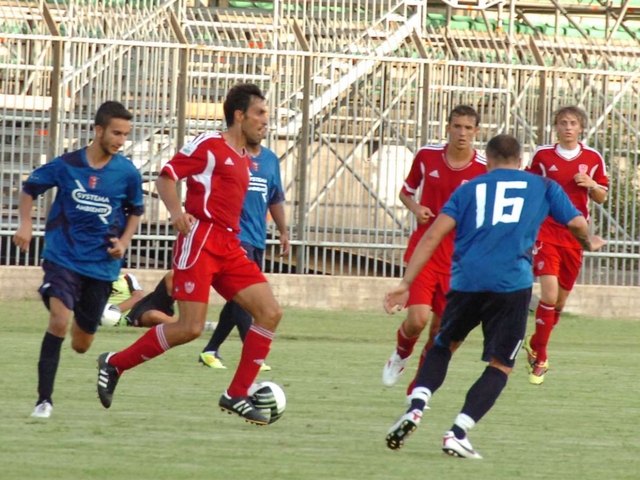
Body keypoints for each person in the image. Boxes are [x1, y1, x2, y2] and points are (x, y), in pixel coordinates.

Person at [383, 134, 606, 458]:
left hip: (466, 281)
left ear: (487, 161)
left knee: (444, 345)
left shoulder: (469, 188)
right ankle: (457, 432)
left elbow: (433, 234)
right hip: (510, 286)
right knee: (501, 364)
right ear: (520, 161)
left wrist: (405, 283)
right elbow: (577, 223)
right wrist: (588, 242)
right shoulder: (543, 187)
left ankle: (416, 406)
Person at [96, 83, 283, 426]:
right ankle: (115, 363)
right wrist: (177, 211)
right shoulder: (209, 146)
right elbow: (167, 177)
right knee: (190, 328)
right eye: (259, 113)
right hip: (200, 242)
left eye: (266, 115)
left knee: (270, 312)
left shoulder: (245, 158)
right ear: (239, 116)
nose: (265, 121)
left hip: (230, 245)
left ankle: (237, 394)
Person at [12, 101, 144, 419]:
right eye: (116, 132)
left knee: (82, 343)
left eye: (125, 135)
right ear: (98, 130)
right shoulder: (67, 165)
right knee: (58, 321)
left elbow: (136, 211)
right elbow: (30, 188)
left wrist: (123, 242)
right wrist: (26, 224)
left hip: (101, 266)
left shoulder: (127, 173)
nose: (120, 140)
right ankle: (44, 400)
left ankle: (78, 323)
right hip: (62, 257)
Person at [382, 105, 486, 395]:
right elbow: (406, 191)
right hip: (424, 250)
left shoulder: (482, 168)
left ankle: (419, 384)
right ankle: (401, 354)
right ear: (448, 128)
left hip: (458, 260)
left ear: (476, 132)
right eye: (457, 126)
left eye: (468, 128)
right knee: (417, 319)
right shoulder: (427, 156)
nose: (462, 133)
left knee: (441, 331)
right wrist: (416, 208)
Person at [523, 106, 609, 385]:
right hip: (546, 230)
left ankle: (536, 341)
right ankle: (541, 356)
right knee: (548, 294)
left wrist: (592, 184)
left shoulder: (593, 158)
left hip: (574, 235)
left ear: (581, 128)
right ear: (556, 127)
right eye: (563, 123)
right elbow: (528, 184)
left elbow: (602, 197)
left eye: (573, 123)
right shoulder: (543, 155)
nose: (568, 127)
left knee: (559, 302)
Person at [199, 139, 289, 371]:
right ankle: (252, 355)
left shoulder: (270, 160)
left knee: (237, 299)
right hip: (236, 237)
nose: (261, 127)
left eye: (265, 122)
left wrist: (283, 231)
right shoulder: (231, 157)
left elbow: (275, 197)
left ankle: (210, 350)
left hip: (258, 238)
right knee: (245, 298)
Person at [106, 271, 215, 331]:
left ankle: (192, 317)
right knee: (153, 315)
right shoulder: (94, 284)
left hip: (143, 303)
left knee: (172, 275)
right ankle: (200, 325)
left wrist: (115, 309)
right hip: (130, 317)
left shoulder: (126, 277)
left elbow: (138, 296)